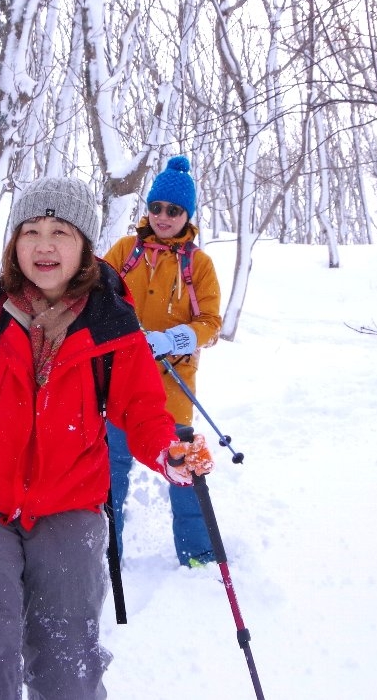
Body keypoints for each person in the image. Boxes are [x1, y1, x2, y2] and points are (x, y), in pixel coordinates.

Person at [0, 176, 213, 700]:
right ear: (14, 243)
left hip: (72, 501)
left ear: (85, 247)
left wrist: (167, 450)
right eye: (30, 231)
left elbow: (142, 409)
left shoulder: (111, 322)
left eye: (60, 232)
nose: (44, 245)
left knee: (67, 649)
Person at [102, 155, 223, 568]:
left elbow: (211, 323)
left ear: (187, 215)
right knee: (110, 472)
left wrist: (172, 339)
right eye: (156, 207)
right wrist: (121, 331)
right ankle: (107, 552)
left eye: (173, 210)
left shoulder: (198, 264)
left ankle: (198, 554)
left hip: (172, 389)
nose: (163, 217)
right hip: (119, 386)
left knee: (183, 471)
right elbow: (95, 298)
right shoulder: (124, 251)